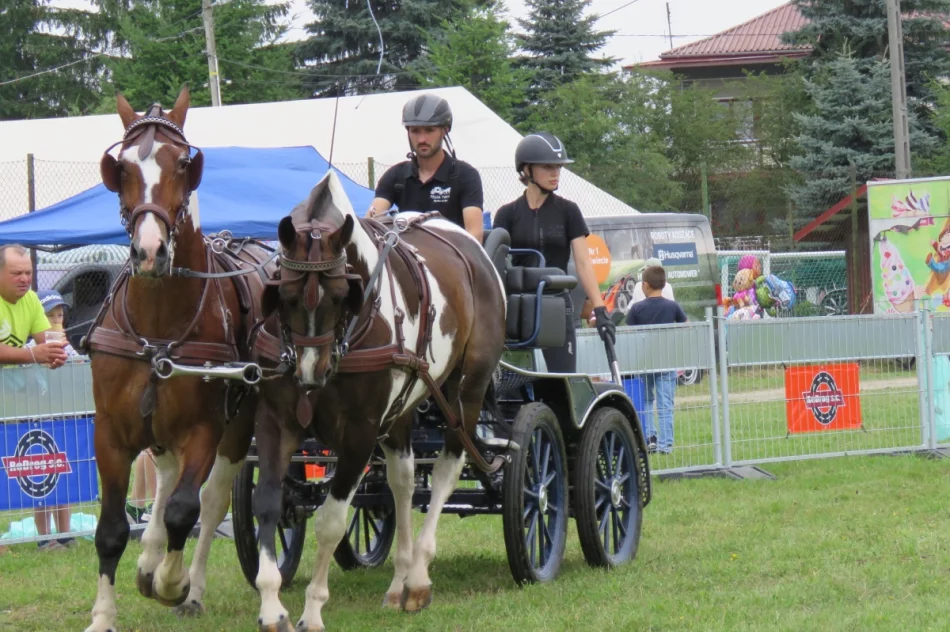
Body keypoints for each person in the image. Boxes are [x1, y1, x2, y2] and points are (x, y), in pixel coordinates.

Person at [493, 132, 615, 373]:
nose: (555, 173)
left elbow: (583, 263)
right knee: (513, 382)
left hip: (557, 304)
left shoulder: (568, 211)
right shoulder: (506, 214)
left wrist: (600, 308)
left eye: (558, 166)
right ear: (526, 170)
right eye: (548, 166)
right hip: (519, 304)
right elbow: (496, 264)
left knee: (563, 379)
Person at [0, 246, 70, 550]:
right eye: (16, 273)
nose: (24, 279)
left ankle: (54, 536)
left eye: (28, 272)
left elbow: (46, 342)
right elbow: (33, 350)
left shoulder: (29, 301)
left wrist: (56, 354)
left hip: (14, 400)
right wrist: (33, 354)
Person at [367, 93, 485, 243]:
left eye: (429, 130)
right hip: (406, 261)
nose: (422, 139)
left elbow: (475, 236)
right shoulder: (395, 176)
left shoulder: (466, 176)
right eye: (415, 131)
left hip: (452, 259)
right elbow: (371, 225)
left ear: (445, 130)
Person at [625, 265, 687, 454]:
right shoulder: (673, 306)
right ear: (663, 284)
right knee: (665, 404)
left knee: (645, 402)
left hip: (644, 363)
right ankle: (666, 445)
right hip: (667, 361)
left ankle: (649, 438)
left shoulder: (636, 308)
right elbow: (687, 326)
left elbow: (629, 334)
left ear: (645, 285)